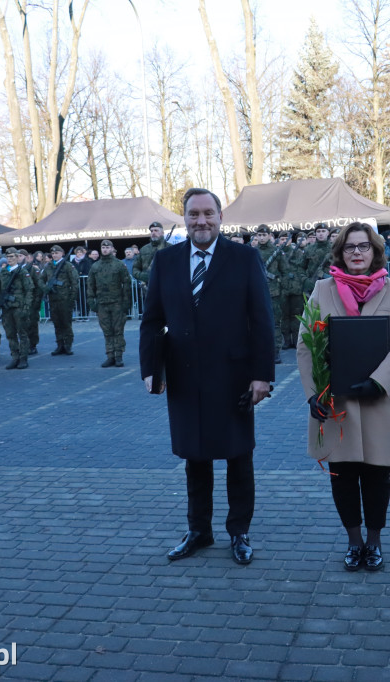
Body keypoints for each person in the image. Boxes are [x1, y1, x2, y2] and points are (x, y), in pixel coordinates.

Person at [139, 187, 275, 565]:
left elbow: (262, 320)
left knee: (237, 456)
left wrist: (262, 375)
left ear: (220, 217)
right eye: (193, 214)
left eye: (208, 214)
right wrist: (150, 369)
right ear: (184, 218)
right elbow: (152, 320)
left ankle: (239, 532)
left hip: (233, 377)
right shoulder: (166, 261)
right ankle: (199, 530)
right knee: (194, 457)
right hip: (184, 378)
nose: (201, 221)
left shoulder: (244, 258)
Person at [297, 223, 390, 572]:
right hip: (337, 401)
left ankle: (375, 542)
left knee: (377, 476)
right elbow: (306, 345)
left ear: (375, 251)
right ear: (340, 252)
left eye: (364, 246)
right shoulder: (322, 289)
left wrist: (380, 380)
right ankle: (354, 542)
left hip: (379, 399)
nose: (356, 253)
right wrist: (311, 395)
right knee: (343, 474)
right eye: (349, 247)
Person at [87, 239, 130, 368]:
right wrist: (91, 301)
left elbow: (126, 284)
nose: (105, 249)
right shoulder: (95, 266)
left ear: (112, 249)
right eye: (103, 247)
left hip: (117, 302)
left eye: (107, 247)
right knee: (107, 331)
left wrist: (126, 302)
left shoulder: (119, 265)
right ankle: (110, 355)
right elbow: (90, 285)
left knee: (118, 330)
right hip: (102, 304)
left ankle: (119, 356)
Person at [0, 247, 34, 369]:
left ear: (17, 257)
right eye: (8, 257)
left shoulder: (22, 272)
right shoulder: (3, 272)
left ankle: (23, 358)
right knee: (10, 334)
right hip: (7, 308)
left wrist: (26, 308)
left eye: (12, 257)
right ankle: (15, 357)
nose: (9, 259)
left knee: (22, 333)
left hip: (19, 307)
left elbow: (29, 290)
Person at [254, 225, 289, 363]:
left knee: (274, 324)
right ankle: (259, 351)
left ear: (269, 236)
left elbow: (285, 271)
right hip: (256, 291)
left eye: (264, 235)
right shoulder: (252, 252)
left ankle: (275, 352)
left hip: (274, 292)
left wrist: (279, 282)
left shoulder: (277, 251)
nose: (261, 238)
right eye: (259, 235)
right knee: (256, 323)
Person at [43, 244, 80, 355]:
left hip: (65, 299)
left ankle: (68, 345)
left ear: (62, 254)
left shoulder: (68, 266)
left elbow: (75, 281)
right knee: (57, 323)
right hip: (53, 299)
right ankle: (60, 344)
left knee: (66, 323)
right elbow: (41, 279)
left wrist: (72, 298)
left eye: (57, 253)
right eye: (53, 253)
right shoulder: (48, 266)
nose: (54, 255)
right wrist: (45, 288)